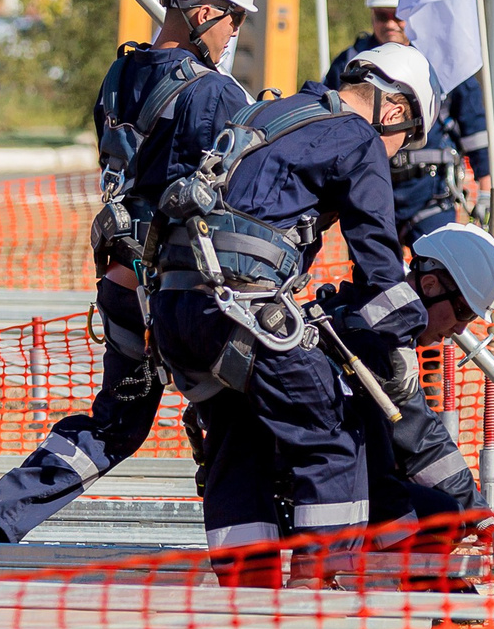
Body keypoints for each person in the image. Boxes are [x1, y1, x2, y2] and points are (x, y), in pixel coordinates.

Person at [0, 0, 256, 543]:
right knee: (239, 413)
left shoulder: (122, 73)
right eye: (233, 17)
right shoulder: (214, 94)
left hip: (120, 283)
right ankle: (252, 561)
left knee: (116, 422)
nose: (234, 33)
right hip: (181, 294)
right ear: (203, 10)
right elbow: (224, 197)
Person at [150, 41, 438, 584]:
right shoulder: (358, 137)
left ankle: (248, 608)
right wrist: (401, 342)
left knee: (236, 438)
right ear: (394, 110)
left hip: (177, 310)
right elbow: (379, 264)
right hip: (240, 307)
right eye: (401, 143)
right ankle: (315, 599)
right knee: (332, 429)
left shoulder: (269, 110)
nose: (394, 153)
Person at [315, 218, 494, 529]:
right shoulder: (384, 338)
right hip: (324, 489)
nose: (461, 328)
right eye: (462, 311)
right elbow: (420, 441)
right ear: (430, 285)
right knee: (443, 518)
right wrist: (479, 517)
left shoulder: (371, 309)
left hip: (324, 476)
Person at [325, 0, 493, 244]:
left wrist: (487, 188)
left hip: (429, 194)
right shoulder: (351, 62)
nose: (390, 23)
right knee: (375, 282)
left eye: (398, 15)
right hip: (368, 192)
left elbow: (474, 125)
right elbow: (326, 118)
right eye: (382, 15)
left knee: (438, 276)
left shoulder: (442, 60)